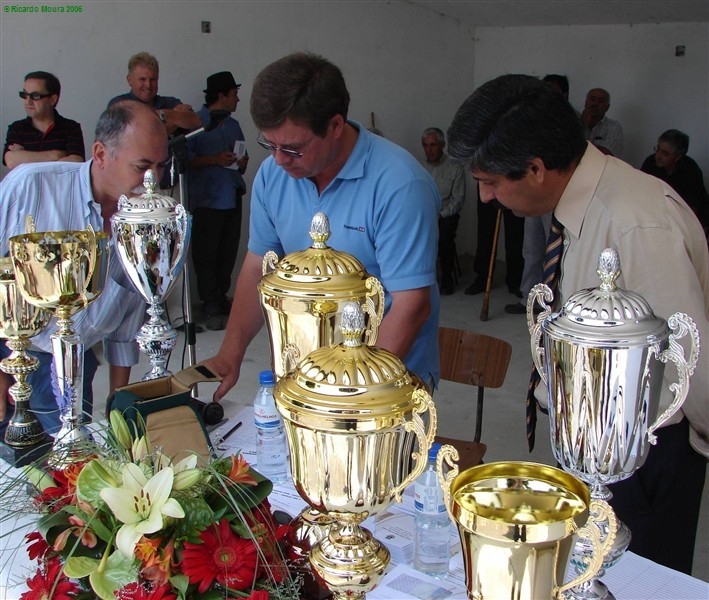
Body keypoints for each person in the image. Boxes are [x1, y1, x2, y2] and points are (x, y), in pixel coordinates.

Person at [447, 74, 708, 575]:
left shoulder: (635, 222)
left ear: (536, 168)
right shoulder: (583, 207)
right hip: (591, 434)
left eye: (489, 183)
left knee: (638, 580)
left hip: (643, 453)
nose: (484, 199)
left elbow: (687, 367)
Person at [207, 52, 440, 397]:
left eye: (294, 149)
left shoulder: (399, 184)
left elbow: (411, 304)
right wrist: (230, 354)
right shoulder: (274, 175)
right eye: (269, 145)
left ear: (335, 126)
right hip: (304, 374)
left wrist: (353, 396)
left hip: (387, 382)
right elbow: (260, 269)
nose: (279, 160)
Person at [0, 101, 169, 436]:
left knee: (75, 457)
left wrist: (118, 403)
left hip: (81, 359)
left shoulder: (146, 222)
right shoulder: (30, 187)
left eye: (161, 167)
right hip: (16, 357)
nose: (152, 181)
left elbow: (127, 325)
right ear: (101, 153)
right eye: (142, 166)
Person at [188, 71, 250, 331]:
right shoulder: (196, 123)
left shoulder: (234, 125)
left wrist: (242, 162)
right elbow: (187, 160)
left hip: (231, 195)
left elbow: (240, 158)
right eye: (234, 94)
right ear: (221, 95)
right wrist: (215, 159)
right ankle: (210, 303)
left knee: (228, 251)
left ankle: (222, 298)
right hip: (206, 199)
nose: (237, 100)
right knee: (206, 253)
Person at [506, 74, 568, 315]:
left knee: (557, 249)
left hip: (557, 195)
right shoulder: (532, 120)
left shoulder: (567, 122)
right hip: (533, 194)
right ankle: (528, 300)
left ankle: (555, 302)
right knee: (531, 248)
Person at [3, 71, 84, 171]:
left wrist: (26, 157)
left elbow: (76, 162)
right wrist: (56, 154)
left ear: (52, 100)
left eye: (35, 96)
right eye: (25, 95)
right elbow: (11, 160)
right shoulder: (17, 128)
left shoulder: (71, 128)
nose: (28, 102)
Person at [108, 52, 200, 135]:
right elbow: (141, 137)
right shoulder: (119, 105)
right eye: (142, 79)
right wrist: (174, 118)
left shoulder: (170, 102)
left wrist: (164, 114)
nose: (148, 85)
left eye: (153, 79)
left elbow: (196, 121)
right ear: (129, 80)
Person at [421, 127, 466, 295]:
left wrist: (440, 215)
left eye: (432, 145)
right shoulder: (419, 167)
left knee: (445, 236)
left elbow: (458, 200)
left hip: (445, 215)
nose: (428, 150)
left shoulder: (455, 168)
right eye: (425, 145)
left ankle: (446, 277)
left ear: (442, 145)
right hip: (424, 215)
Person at [640, 129, 709, 235]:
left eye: (665, 154)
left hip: (689, 219)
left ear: (677, 157)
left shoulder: (691, 171)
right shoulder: (650, 163)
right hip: (658, 214)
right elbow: (640, 193)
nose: (657, 156)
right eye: (657, 149)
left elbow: (690, 211)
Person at [464, 192, 524, 298]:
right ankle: (483, 277)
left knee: (515, 234)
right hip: (488, 184)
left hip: (513, 185)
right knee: (485, 232)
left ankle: (515, 279)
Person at [581, 87, 623, 156]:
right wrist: (582, 125)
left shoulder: (613, 127)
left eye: (600, 101)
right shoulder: (574, 122)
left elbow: (604, 155)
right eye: (592, 99)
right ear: (585, 103)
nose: (595, 104)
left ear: (607, 107)